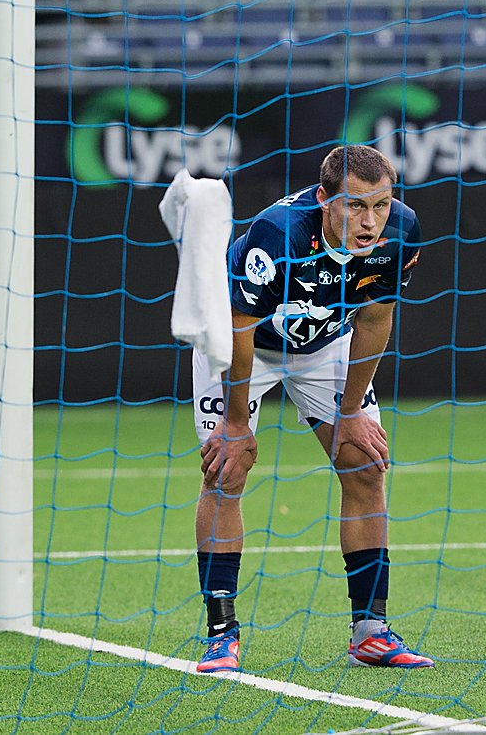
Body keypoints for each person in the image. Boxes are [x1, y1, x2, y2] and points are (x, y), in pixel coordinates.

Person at [193, 145, 430, 674]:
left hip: (324, 345)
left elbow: (373, 321)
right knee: (226, 471)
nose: (371, 223)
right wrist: (234, 423)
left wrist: (350, 412)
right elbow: (238, 327)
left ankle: (370, 630)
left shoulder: (402, 232)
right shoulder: (278, 233)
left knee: (365, 463)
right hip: (242, 345)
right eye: (355, 207)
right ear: (324, 200)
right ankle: (220, 634)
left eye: (381, 206)